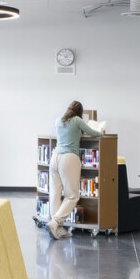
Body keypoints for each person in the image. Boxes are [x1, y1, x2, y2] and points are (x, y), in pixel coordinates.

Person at [46, 101, 105, 239]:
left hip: (54, 157)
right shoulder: (77, 120)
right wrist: (101, 132)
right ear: (80, 112)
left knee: (55, 193)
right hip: (68, 158)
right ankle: (55, 222)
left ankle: (57, 229)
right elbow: (93, 133)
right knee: (72, 196)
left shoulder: (58, 120)